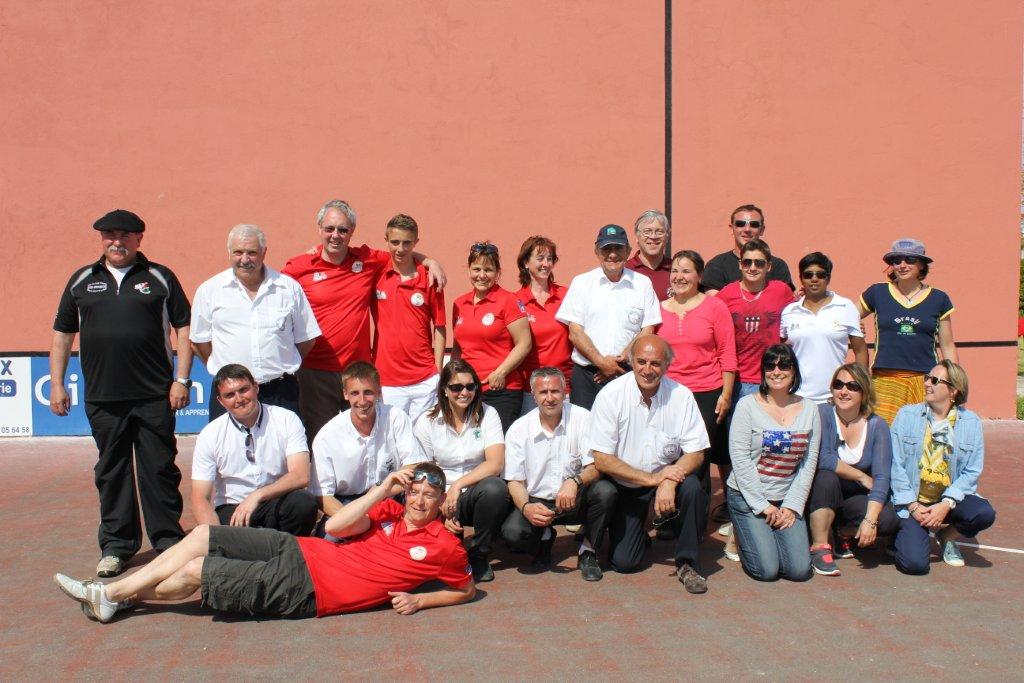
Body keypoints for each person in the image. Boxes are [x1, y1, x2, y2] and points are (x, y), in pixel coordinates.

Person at [54, 464, 475, 623]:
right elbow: (340, 527)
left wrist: (421, 601)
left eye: (428, 496)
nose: (419, 500)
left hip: (309, 590)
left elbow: (466, 590)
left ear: (441, 501)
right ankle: (113, 596)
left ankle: (111, 594)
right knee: (202, 535)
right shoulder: (389, 511)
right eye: (415, 491)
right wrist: (384, 489)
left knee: (196, 571)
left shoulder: (445, 546)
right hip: (302, 549)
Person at [50, 209, 193, 578]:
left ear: (139, 239)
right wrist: (57, 383)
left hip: (153, 396)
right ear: (102, 239)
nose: (116, 241)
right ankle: (117, 546)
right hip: (103, 397)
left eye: (124, 235)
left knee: (159, 469)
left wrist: (182, 380)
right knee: (112, 473)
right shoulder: (82, 280)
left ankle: (167, 542)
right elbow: (63, 334)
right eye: (109, 235)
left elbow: (183, 328)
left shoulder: (159, 277)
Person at [282, 200, 445, 441]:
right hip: (316, 372)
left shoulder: (368, 260)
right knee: (322, 439)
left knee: (366, 437)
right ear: (319, 229)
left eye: (343, 230)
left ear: (352, 232)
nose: (335, 235)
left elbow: (401, 253)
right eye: (329, 229)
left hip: (358, 370)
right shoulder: (298, 268)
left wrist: (431, 261)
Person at [588, 335, 711, 594]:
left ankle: (688, 563)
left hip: (667, 480)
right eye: (641, 361)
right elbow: (602, 459)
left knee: (692, 488)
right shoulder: (611, 395)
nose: (647, 369)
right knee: (624, 563)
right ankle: (640, 531)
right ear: (631, 361)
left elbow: (696, 453)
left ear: (667, 365)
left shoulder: (682, 396)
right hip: (627, 485)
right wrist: (653, 479)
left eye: (655, 363)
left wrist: (666, 480)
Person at [190, 224, 321, 421]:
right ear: (229, 253)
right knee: (229, 452)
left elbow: (306, 339)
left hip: (280, 392)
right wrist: (225, 370)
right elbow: (199, 342)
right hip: (230, 393)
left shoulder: (288, 288)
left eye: (252, 252)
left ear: (264, 252)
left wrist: (279, 364)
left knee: (284, 451)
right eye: (238, 252)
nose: (245, 259)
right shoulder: (209, 291)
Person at [501, 367, 617, 581]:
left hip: (575, 497)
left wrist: (575, 481)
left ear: (565, 392)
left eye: (555, 391)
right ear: (533, 395)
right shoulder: (518, 429)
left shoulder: (584, 419)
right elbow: (515, 481)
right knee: (513, 534)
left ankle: (588, 550)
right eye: (543, 393)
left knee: (606, 491)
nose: (550, 398)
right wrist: (526, 508)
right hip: (538, 501)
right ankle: (545, 536)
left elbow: (596, 466)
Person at [889, 361, 995, 574]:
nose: (927, 383)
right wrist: (912, 505)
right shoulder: (907, 415)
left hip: (946, 500)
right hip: (914, 501)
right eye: (927, 378)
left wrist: (946, 504)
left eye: (935, 380)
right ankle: (901, 534)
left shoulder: (971, 422)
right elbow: (895, 463)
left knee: (983, 513)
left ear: (954, 390)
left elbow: (972, 471)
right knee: (915, 565)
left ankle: (946, 536)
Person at [726, 344, 820, 582]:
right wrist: (762, 505)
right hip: (748, 496)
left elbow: (808, 463)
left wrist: (791, 506)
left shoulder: (810, 409)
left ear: (794, 371)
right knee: (767, 571)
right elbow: (739, 459)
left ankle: (763, 534)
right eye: (770, 365)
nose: (776, 371)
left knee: (798, 571)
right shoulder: (747, 406)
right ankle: (742, 531)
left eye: (784, 365)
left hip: (786, 497)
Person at [190, 364, 318, 537]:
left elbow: (301, 475)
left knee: (303, 503)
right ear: (220, 401)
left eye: (243, 390)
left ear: (256, 387)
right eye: (229, 395)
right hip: (233, 509)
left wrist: (258, 495)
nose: (239, 398)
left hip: (275, 501)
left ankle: (290, 554)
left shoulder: (286, 419)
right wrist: (218, 539)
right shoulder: (210, 434)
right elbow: (200, 498)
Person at [413, 360, 511, 582]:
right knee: (441, 559)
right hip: (440, 496)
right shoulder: (427, 421)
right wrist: (440, 505)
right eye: (456, 387)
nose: (464, 392)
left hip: (475, 493)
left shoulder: (489, 414)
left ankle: (480, 553)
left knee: (495, 488)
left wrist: (458, 485)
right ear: (444, 390)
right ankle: (451, 538)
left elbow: (495, 464)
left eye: (470, 386)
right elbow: (425, 471)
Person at [310, 361, 426, 538]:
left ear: (379, 392)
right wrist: (358, 518)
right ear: (345, 394)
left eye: (368, 392)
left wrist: (380, 490)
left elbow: (415, 464)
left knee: (420, 530)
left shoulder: (396, 417)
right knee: (331, 540)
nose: (362, 401)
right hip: (347, 503)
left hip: (390, 495)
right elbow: (322, 496)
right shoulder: (327, 436)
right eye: (355, 393)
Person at [655, 250, 736, 500]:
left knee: (698, 457)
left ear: (699, 276)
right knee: (669, 453)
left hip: (706, 392)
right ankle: (669, 514)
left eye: (686, 271)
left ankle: (694, 518)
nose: (679, 276)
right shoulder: (658, 310)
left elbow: (727, 352)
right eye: (675, 271)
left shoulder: (715, 307)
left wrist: (726, 394)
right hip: (667, 394)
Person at [806, 363, 899, 576]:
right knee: (826, 478)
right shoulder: (822, 414)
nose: (844, 391)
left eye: (852, 386)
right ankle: (820, 547)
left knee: (889, 519)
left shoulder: (877, 425)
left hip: (852, 499)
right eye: (838, 385)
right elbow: (824, 459)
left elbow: (882, 476)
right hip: (821, 494)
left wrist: (870, 520)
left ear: (864, 391)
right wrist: (861, 476)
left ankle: (841, 531)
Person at [556, 224, 661, 410]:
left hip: (628, 373)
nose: (612, 254)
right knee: (586, 432)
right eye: (606, 249)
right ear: (597, 251)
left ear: (628, 251)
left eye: (618, 248)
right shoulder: (581, 283)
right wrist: (601, 362)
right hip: (587, 377)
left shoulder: (643, 284)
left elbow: (648, 329)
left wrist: (617, 363)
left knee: (628, 432)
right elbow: (574, 330)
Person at [859, 238, 957, 425]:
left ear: (921, 265)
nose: (902, 265)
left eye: (910, 260)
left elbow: (947, 344)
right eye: (897, 260)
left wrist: (955, 382)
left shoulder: (939, 298)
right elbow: (844, 315)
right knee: (883, 438)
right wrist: (856, 324)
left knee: (922, 437)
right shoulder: (877, 292)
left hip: (925, 382)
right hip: (884, 380)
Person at [451, 242, 533, 431]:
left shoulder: (509, 300)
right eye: (476, 269)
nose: (482, 275)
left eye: (488, 270)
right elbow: (458, 347)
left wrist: (501, 373)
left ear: (497, 273)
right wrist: (453, 377)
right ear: (468, 270)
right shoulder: (459, 303)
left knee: (499, 449)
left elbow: (524, 343)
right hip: (467, 391)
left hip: (501, 390)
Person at [372, 214, 446, 419]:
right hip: (387, 381)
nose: (400, 249)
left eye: (407, 243)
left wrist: (437, 369)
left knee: (423, 445)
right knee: (391, 443)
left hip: (424, 380)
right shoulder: (376, 273)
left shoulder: (430, 278)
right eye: (394, 242)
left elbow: (439, 326)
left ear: (416, 243)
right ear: (386, 240)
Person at [780, 252, 867, 404]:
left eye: (820, 275)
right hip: (797, 396)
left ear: (828, 278)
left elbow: (860, 350)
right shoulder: (789, 312)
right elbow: (781, 351)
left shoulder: (846, 307)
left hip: (835, 397)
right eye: (808, 275)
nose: (814, 279)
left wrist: (857, 386)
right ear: (801, 278)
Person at [717, 239, 794, 400]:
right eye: (747, 262)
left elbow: (802, 314)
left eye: (759, 263)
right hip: (738, 381)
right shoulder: (725, 295)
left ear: (769, 266)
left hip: (773, 378)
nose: (752, 268)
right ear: (740, 264)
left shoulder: (781, 290)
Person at [515, 235, 573, 414]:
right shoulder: (516, 301)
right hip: (530, 390)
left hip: (565, 387)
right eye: (540, 258)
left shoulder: (567, 295)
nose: (546, 264)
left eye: (550, 259)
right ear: (525, 262)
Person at [701, 204, 794, 294]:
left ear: (762, 230)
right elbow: (715, 304)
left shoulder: (778, 266)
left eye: (754, 224)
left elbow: (786, 300)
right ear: (731, 228)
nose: (747, 229)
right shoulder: (716, 266)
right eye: (740, 224)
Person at [625, 209, 672, 299]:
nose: (653, 237)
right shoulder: (625, 270)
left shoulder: (676, 271)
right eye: (647, 232)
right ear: (637, 236)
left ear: (667, 237)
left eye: (659, 232)